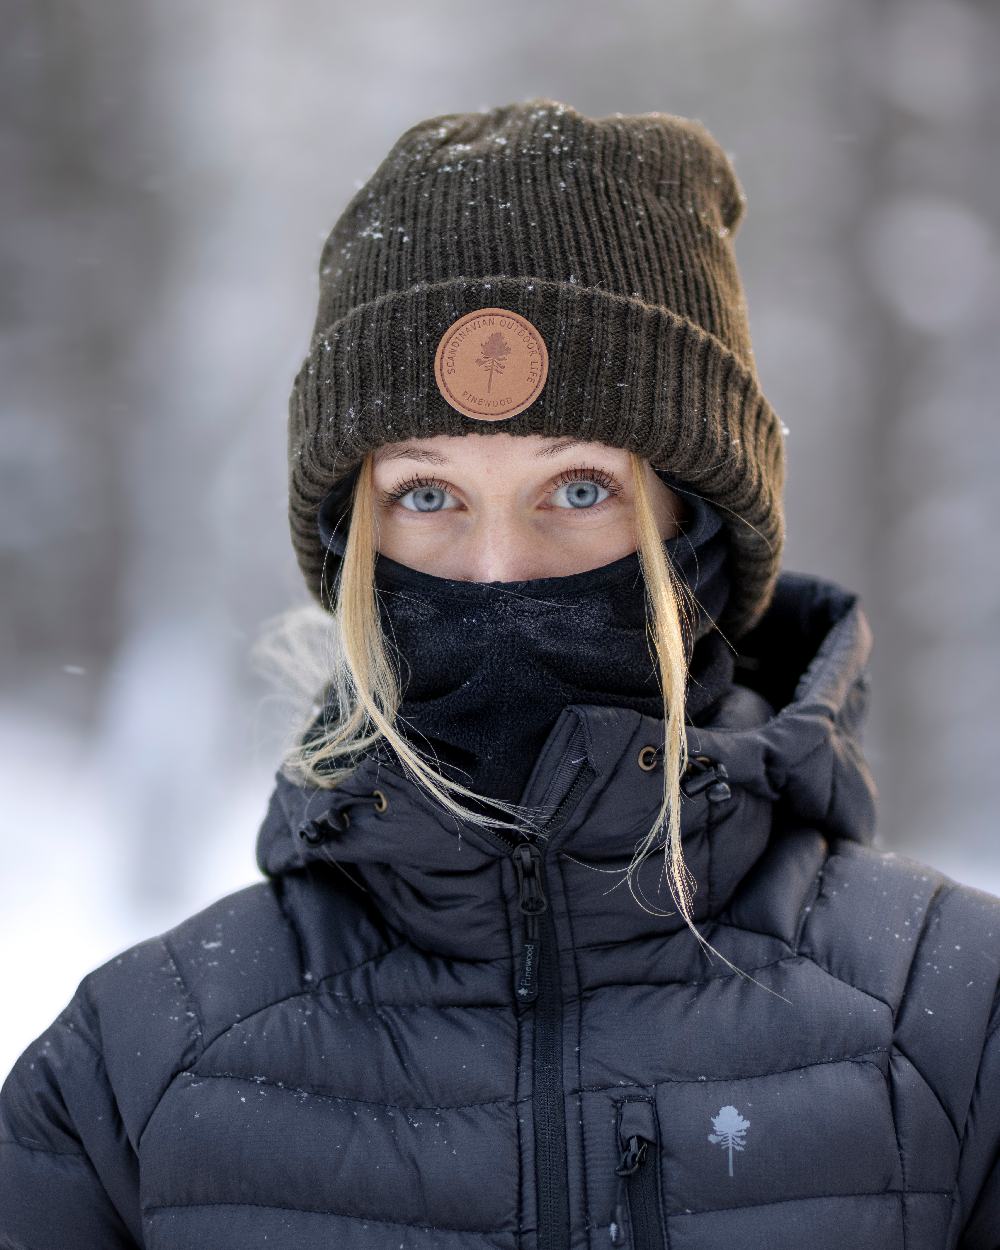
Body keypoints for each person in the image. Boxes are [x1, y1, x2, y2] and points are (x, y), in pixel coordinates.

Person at [1, 97, 998, 1250]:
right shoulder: (135, 1077)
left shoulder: (955, 1030)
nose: (497, 569)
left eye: (578, 488)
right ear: (354, 550)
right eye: (426, 495)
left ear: (699, 533)